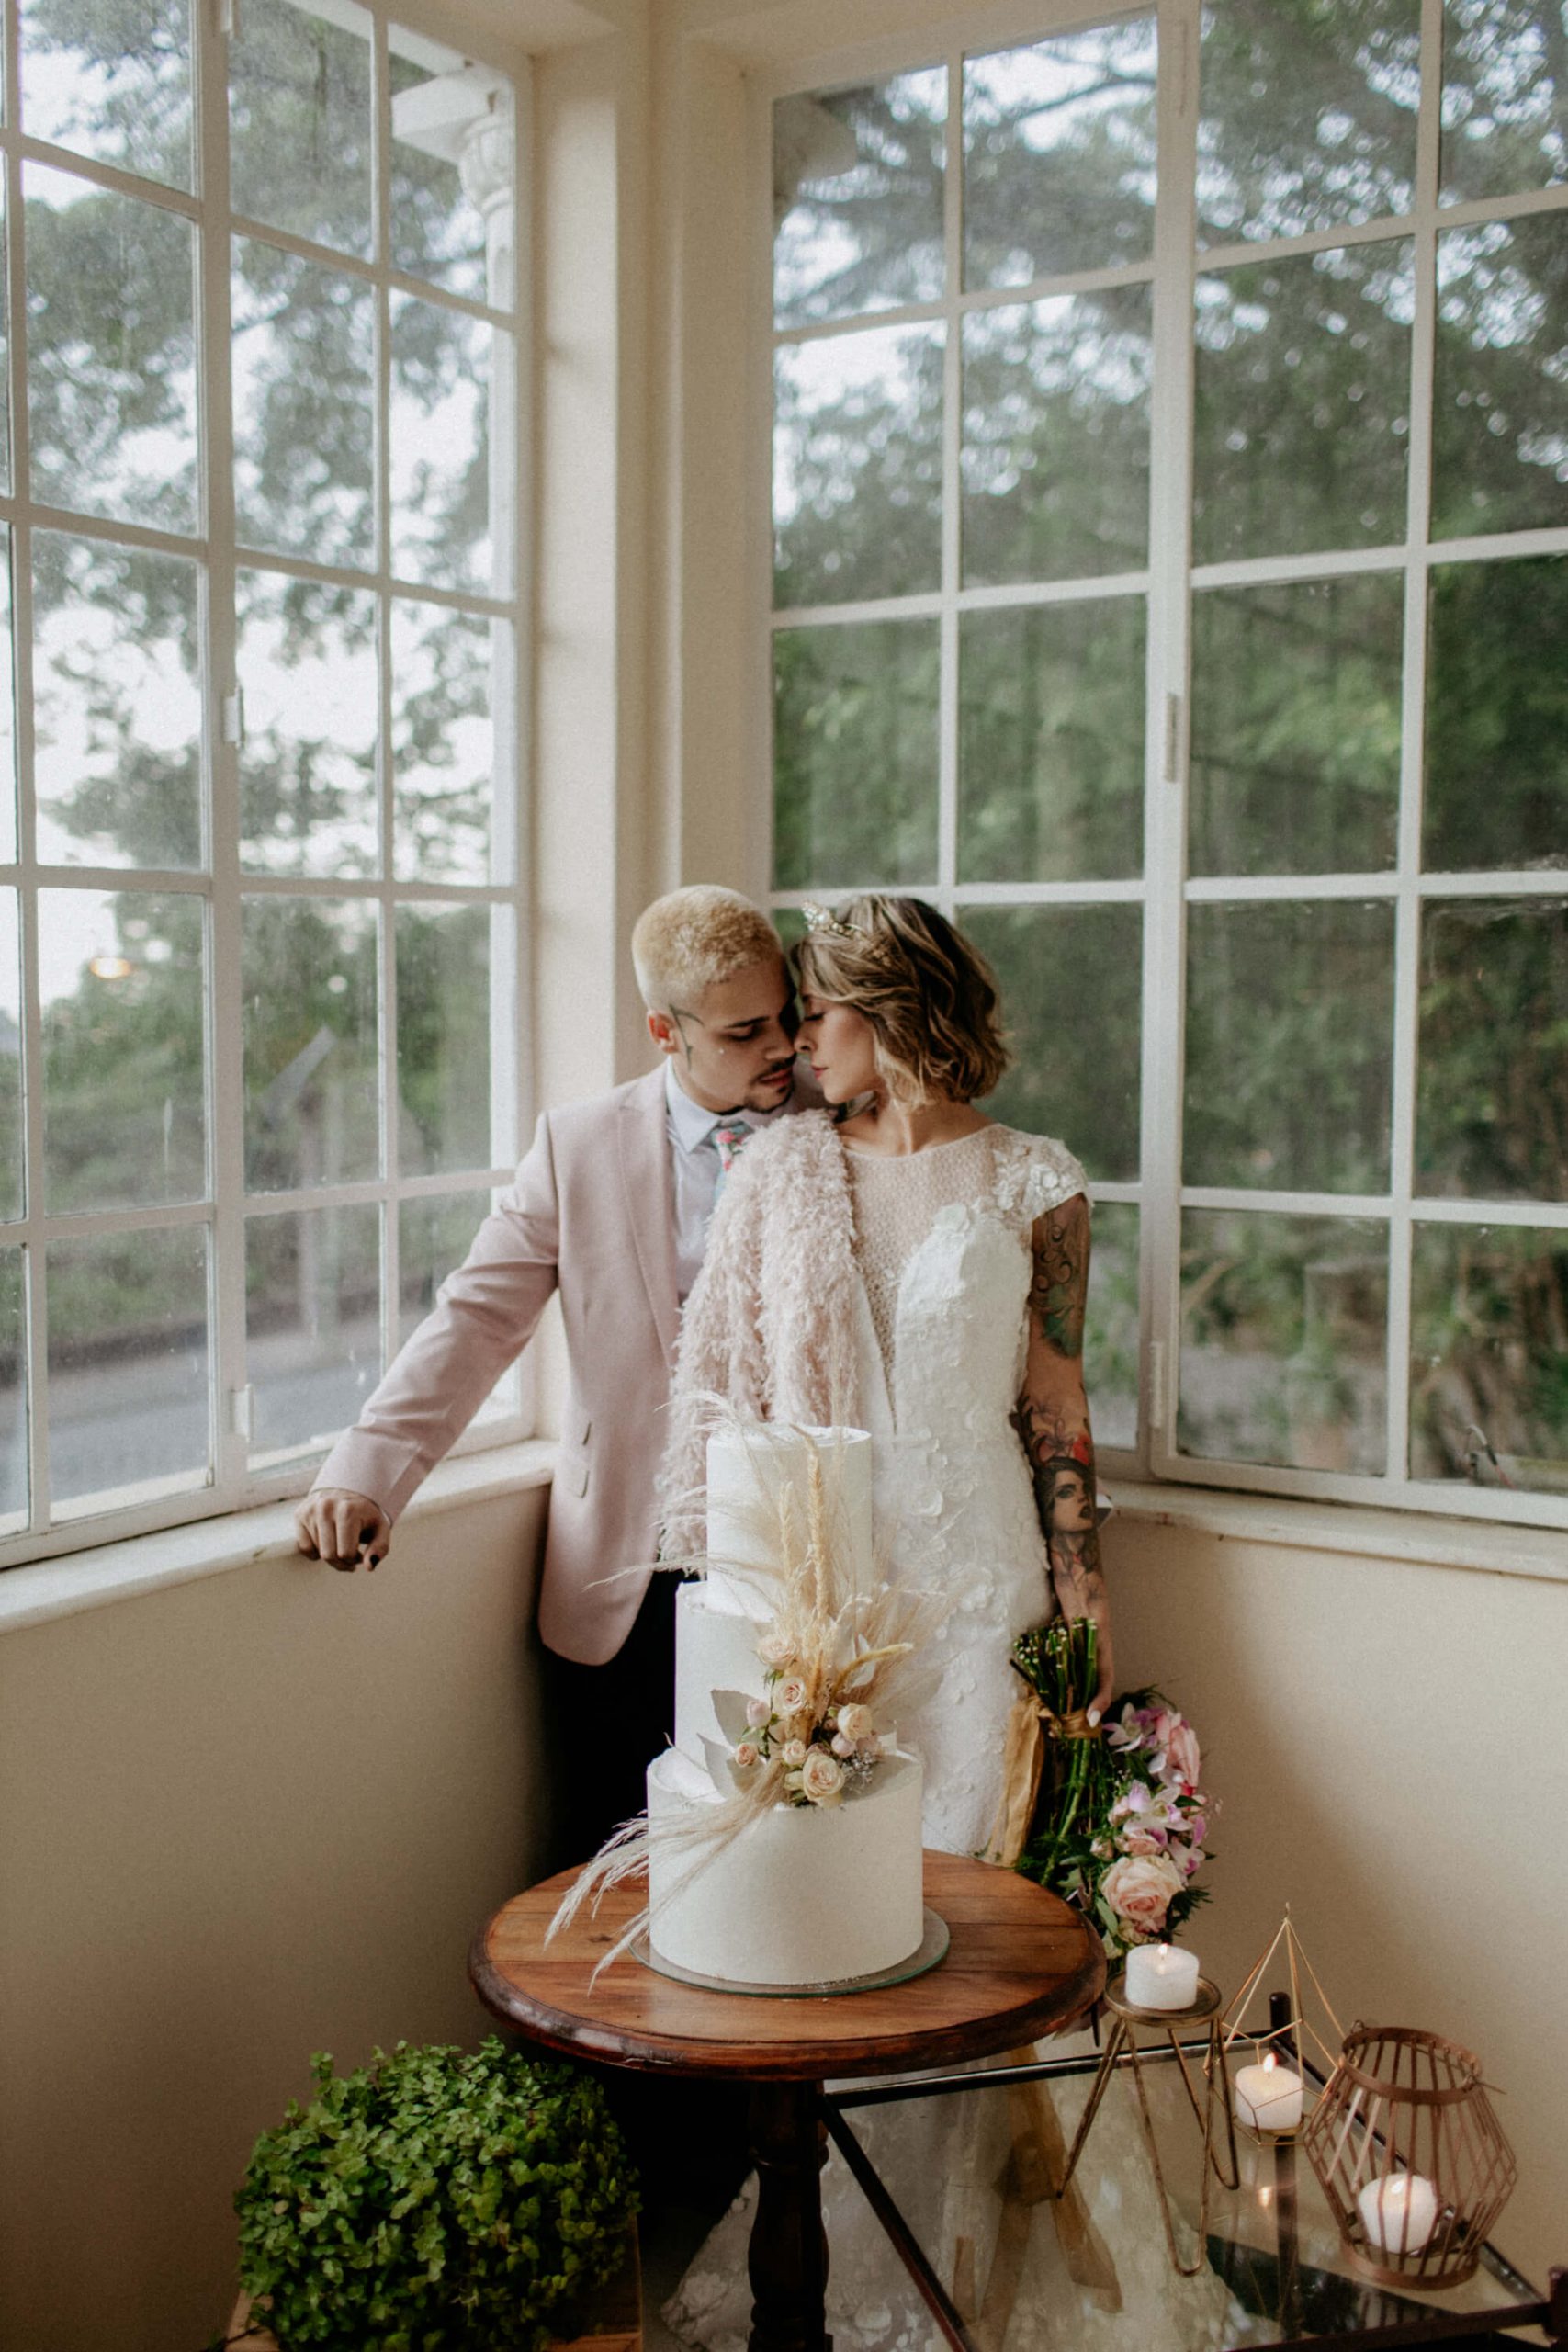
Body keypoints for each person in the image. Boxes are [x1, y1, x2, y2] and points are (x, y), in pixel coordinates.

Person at [659, 893, 1118, 2352]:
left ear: (892, 1014)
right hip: (831, 1593)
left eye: (820, 1013)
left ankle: (972, 2257)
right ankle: (835, 2257)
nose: (799, 1042)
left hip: (980, 1586)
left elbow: (1053, 1405)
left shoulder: (1036, 1183)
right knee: (844, 1911)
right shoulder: (785, 1170)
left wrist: (1082, 1599)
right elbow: (738, 1379)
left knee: (970, 1913)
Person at [294, 884, 812, 1861]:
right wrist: (366, 1469)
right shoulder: (579, 1145)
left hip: (791, 1560)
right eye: (745, 1032)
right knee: (606, 1855)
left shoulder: (843, 1126)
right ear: (664, 1030)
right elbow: (477, 1316)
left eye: (784, 1016)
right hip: (622, 1558)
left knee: (780, 1856)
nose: (783, 1045)